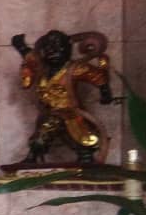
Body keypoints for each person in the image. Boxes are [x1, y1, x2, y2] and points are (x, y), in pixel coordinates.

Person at [12, 29, 113, 164]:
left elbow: (96, 75)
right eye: (48, 48)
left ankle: (86, 159)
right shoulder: (42, 68)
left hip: (71, 112)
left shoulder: (74, 68)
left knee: (81, 139)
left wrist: (105, 92)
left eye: (58, 47)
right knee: (43, 132)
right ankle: (33, 156)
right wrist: (21, 47)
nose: (52, 51)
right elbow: (31, 58)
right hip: (50, 112)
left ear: (68, 49)